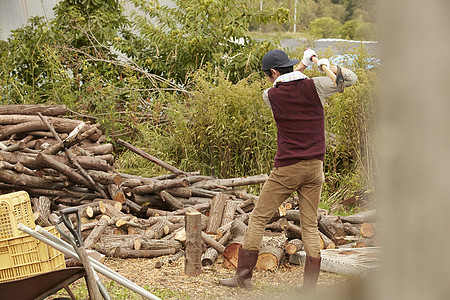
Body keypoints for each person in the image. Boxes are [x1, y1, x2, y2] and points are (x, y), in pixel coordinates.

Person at [219, 49, 357, 290]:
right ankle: (310, 288)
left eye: (268, 75)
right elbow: (351, 79)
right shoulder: (316, 87)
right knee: (310, 226)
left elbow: (286, 81)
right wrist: (329, 67)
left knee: (259, 219)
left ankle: (243, 278)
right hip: (315, 167)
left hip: (288, 167)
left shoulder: (270, 95)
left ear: (273, 73)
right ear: (288, 66)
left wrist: (303, 67)